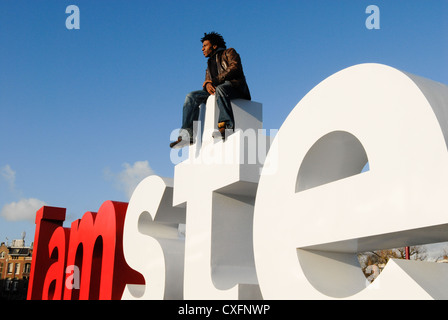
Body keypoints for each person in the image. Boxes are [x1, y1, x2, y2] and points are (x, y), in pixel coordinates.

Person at [170, 32, 251, 149]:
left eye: (205, 46)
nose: (202, 49)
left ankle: (226, 127)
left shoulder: (229, 52)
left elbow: (234, 67)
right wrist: (208, 84)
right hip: (218, 89)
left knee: (220, 88)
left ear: (214, 46)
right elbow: (208, 82)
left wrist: (214, 81)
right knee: (191, 96)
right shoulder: (209, 64)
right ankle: (187, 136)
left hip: (235, 87)